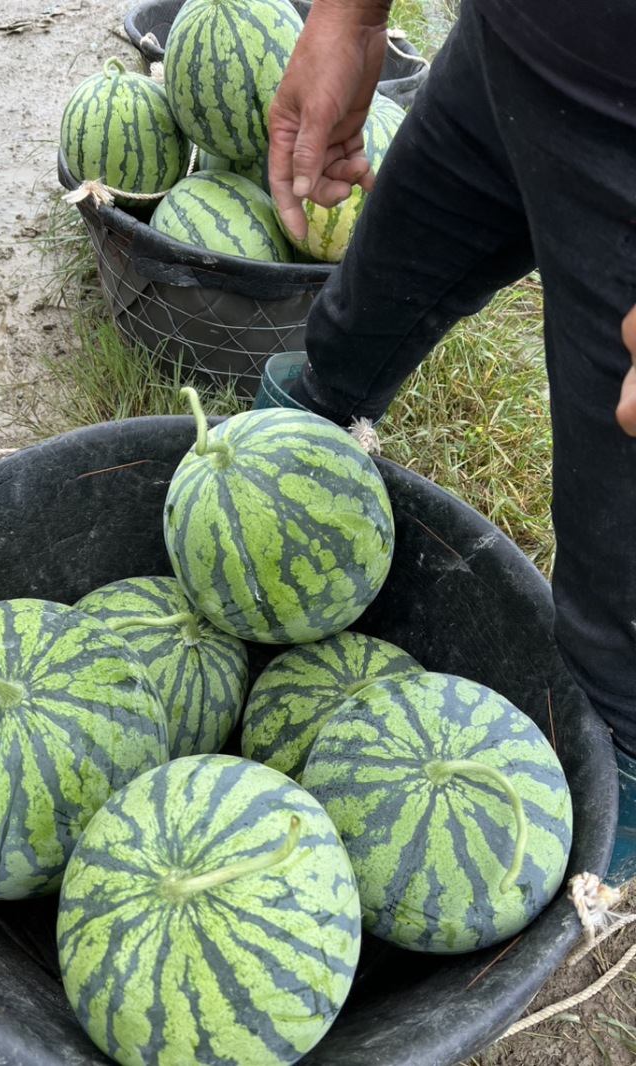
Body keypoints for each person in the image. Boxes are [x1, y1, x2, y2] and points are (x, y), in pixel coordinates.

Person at [267, 0, 636, 882]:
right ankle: (283, 490)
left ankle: (610, 785)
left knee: (620, 618)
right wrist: (349, 18)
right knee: (340, 357)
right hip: (515, 40)